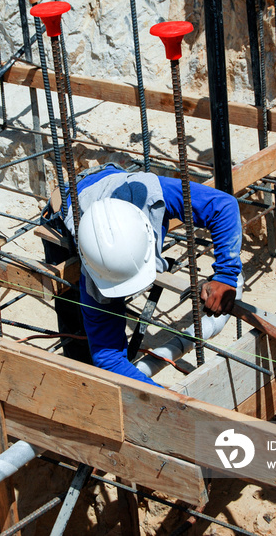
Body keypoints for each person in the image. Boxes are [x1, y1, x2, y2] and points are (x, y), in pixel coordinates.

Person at [43, 163, 242, 386]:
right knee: (78, 335)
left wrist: (226, 275)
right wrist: (164, 397)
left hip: (111, 179)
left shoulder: (151, 195)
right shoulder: (93, 264)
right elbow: (108, 359)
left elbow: (223, 205)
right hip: (62, 215)